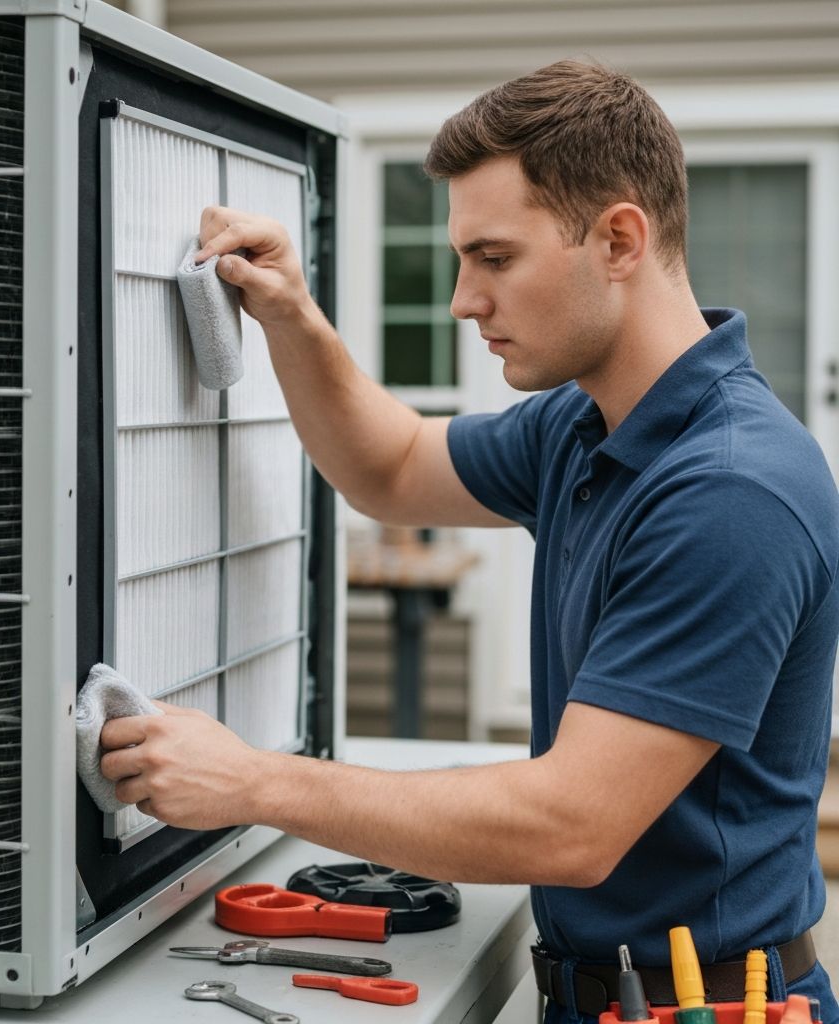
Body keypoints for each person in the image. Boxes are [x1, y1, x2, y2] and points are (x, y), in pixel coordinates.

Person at [100, 60, 839, 1022]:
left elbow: (571, 825)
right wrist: (289, 312)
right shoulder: (586, 424)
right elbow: (393, 465)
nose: (462, 300)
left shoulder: (729, 491)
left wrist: (253, 781)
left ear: (619, 239)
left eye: (494, 258)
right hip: (605, 996)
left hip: (709, 1007)